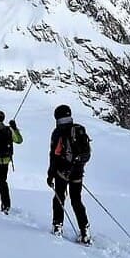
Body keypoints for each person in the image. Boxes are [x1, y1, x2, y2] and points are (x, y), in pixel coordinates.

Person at [47, 104, 91, 244]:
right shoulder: (79, 129)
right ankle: (85, 231)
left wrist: (50, 174)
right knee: (76, 200)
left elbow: (54, 155)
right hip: (78, 171)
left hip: (62, 172)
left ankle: (58, 226)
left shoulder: (58, 132)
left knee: (59, 198)